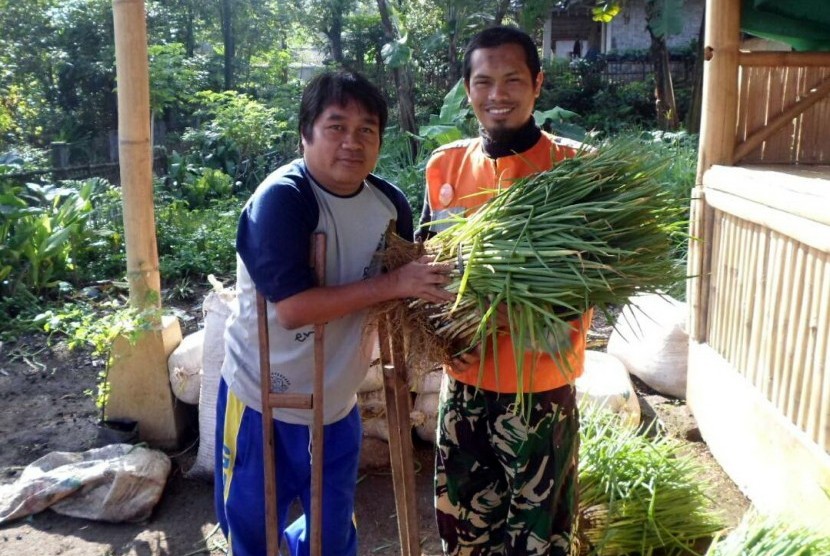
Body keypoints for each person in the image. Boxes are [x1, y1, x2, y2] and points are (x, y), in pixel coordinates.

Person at [215, 69, 453, 556]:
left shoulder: (389, 205)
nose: (352, 142)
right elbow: (293, 310)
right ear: (305, 133)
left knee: (331, 533)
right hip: (263, 401)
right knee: (252, 529)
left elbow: (406, 284)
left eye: (367, 130)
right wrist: (394, 282)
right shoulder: (283, 199)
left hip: (335, 401)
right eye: (336, 126)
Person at [418, 26, 593, 556]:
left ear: (537, 83)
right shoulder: (445, 165)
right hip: (465, 382)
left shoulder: (577, 168)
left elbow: (597, 278)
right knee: (464, 528)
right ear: (467, 89)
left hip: (540, 384)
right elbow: (429, 261)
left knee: (541, 533)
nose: (498, 94)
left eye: (513, 79)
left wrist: (504, 306)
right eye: (484, 81)